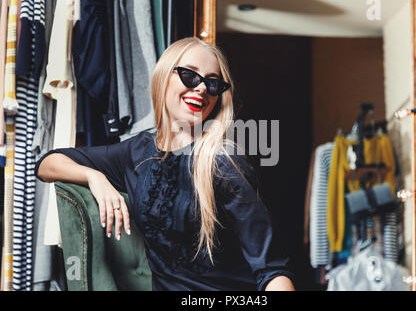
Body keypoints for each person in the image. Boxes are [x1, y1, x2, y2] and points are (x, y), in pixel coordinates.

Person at [35, 37, 295, 291]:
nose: (202, 88)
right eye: (190, 76)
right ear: (164, 76)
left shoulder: (224, 163)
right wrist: (94, 177)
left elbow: (270, 269)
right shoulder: (136, 151)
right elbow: (47, 164)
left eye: (212, 83)